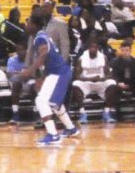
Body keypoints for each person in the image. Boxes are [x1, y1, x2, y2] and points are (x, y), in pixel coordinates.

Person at [26, 13, 79, 146]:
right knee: (55, 104)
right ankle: (71, 128)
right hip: (57, 72)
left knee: (42, 101)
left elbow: (43, 55)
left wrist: (29, 71)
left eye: (28, 22)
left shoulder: (39, 38)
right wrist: (42, 77)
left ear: (34, 25)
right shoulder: (42, 35)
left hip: (59, 73)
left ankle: (53, 135)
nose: (26, 25)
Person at [72, 39, 118, 124]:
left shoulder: (103, 57)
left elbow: (109, 74)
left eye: (95, 47)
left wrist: (102, 78)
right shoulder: (81, 59)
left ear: (98, 48)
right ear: (88, 48)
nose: (93, 49)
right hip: (86, 82)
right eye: (91, 47)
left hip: (100, 82)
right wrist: (90, 79)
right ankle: (82, 113)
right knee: (75, 84)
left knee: (112, 83)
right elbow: (76, 76)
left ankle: (106, 112)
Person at [6, 41, 34, 125]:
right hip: (16, 82)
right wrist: (23, 74)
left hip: (29, 81)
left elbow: (35, 73)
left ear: (26, 50)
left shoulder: (32, 59)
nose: (20, 51)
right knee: (16, 82)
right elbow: (10, 74)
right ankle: (15, 114)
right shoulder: (12, 59)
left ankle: (36, 113)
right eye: (18, 50)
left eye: (22, 49)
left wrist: (25, 74)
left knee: (34, 85)